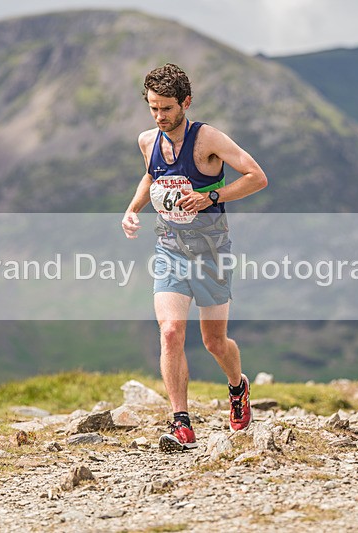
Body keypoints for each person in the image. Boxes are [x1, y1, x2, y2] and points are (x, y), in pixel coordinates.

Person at [121, 63, 268, 452]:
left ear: (185, 102)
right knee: (170, 332)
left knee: (214, 342)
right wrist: (133, 207)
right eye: (153, 108)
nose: (159, 116)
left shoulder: (208, 140)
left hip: (212, 252)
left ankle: (238, 387)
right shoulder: (147, 141)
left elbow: (256, 176)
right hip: (169, 247)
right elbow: (152, 176)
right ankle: (181, 423)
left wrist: (211, 196)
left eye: (166, 108)